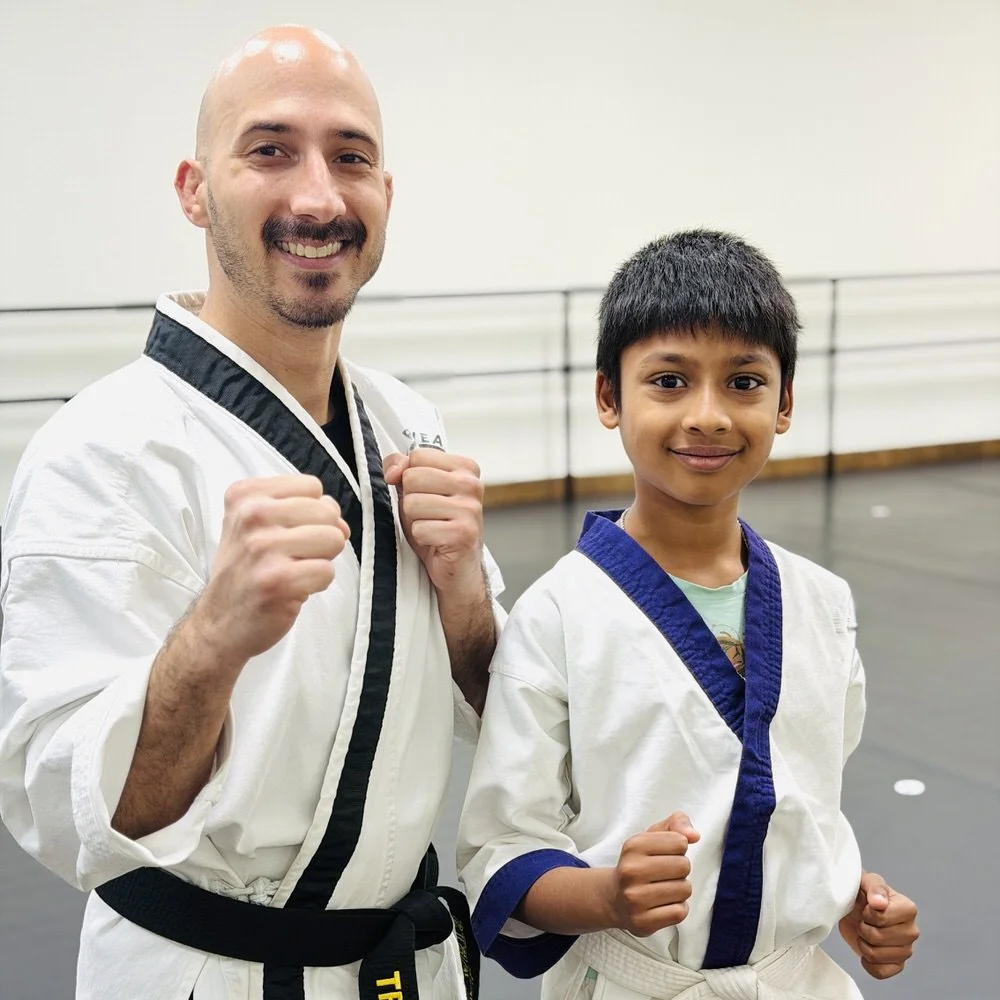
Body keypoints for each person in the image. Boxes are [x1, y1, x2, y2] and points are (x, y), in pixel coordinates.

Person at [0, 25, 503, 1000]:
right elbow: (76, 815)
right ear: (194, 189)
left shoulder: (408, 426)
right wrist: (214, 638)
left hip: (402, 970)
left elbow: (504, 708)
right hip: (206, 974)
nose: (317, 195)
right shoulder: (101, 451)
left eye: (349, 157)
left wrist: (466, 594)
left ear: (385, 197)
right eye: (269, 150)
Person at [457, 230, 919, 999]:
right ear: (609, 397)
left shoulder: (823, 606)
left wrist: (847, 897)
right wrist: (606, 896)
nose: (708, 416)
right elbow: (503, 847)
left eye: (743, 383)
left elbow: (790, 803)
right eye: (669, 381)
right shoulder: (559, 614)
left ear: (785, 404)